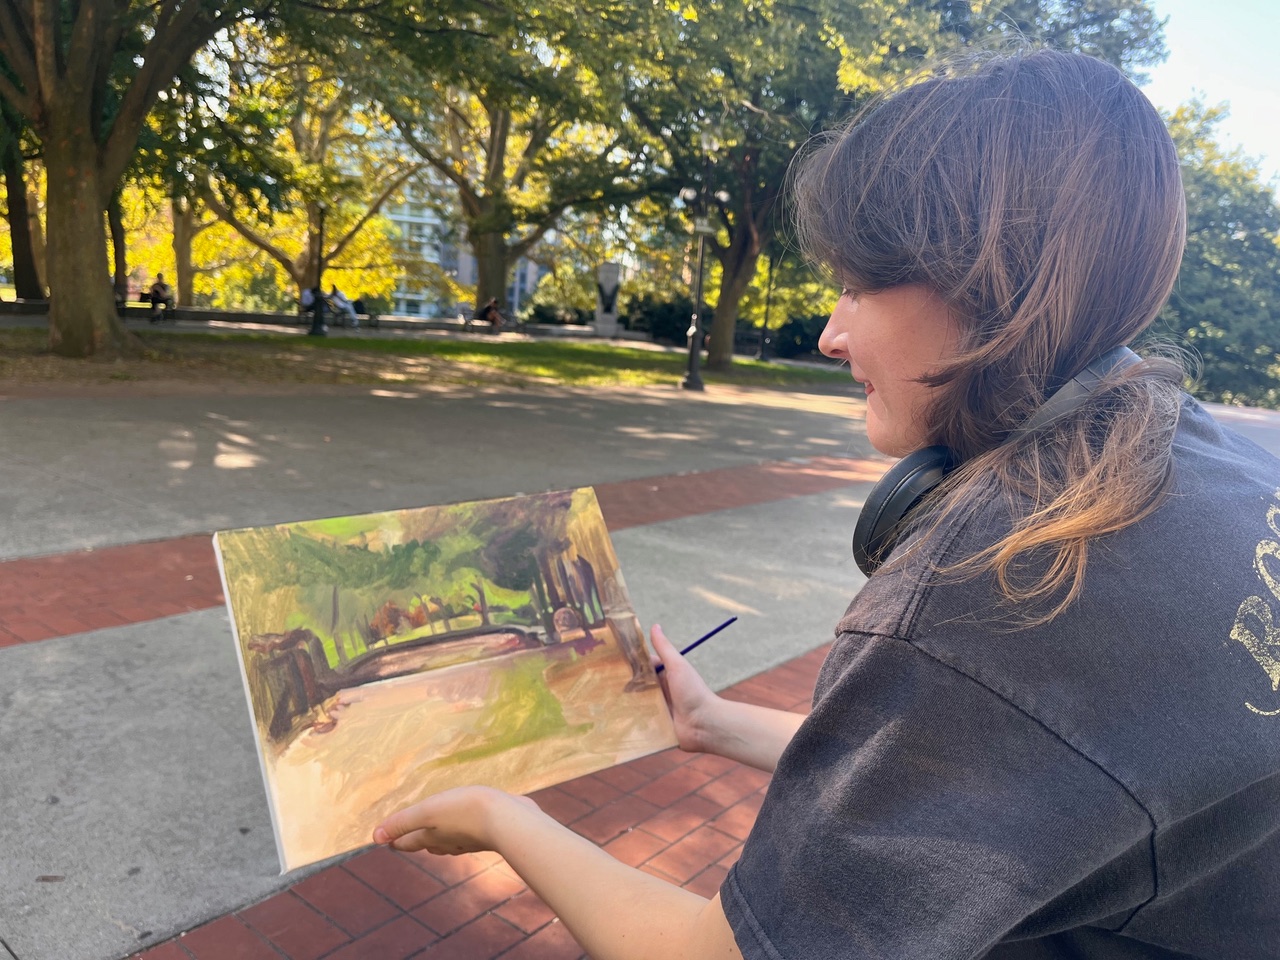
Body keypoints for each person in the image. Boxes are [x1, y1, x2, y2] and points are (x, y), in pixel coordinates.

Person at [373, 50, 1280, 959]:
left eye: (855, 286)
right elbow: (997, 764)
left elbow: (717, 955)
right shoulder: (1210, 462)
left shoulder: (995, 587)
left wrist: (502, 818)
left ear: (985, 281)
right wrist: (713, 724)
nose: (831, 335)